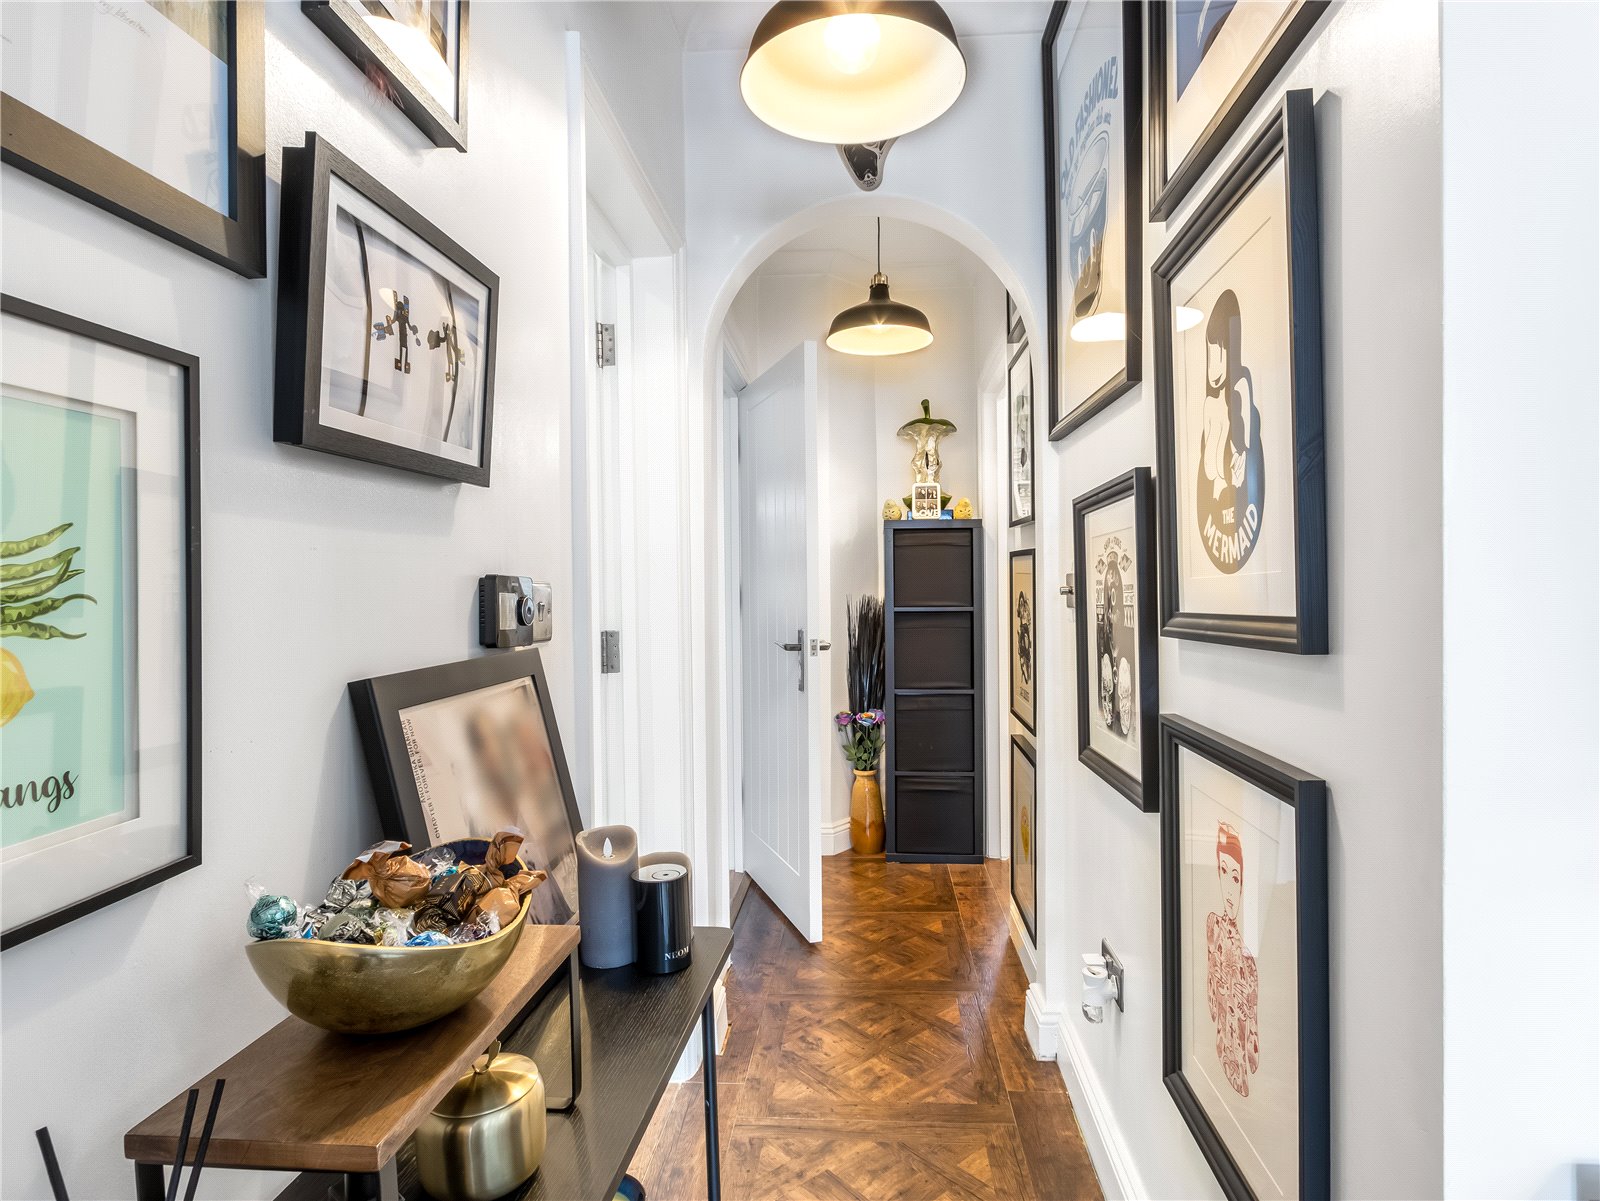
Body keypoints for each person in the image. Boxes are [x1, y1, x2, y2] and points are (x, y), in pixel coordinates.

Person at [1205, 822, 1260, 1097]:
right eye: (1224, 872)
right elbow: (1211, 1003)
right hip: (1221, 1044)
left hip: (1238, 1061)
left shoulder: (1248, 963)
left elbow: (1253, 1053)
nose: (1229, 888)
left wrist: (1244, 1006)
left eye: (1235, 878)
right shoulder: (1213, 926)